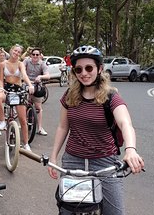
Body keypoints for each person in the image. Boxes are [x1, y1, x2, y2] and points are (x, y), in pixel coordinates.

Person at [48, 45, 145, 215]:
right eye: (78, 69)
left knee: (115, 212)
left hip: (105, 163)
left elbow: (125, 124)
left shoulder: (111, 96)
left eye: (89, 68)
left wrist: (131, 150)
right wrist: (53, 157)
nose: (84, 73)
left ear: (99, 69)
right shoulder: (70, 95)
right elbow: (63, 126)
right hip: (73, 161)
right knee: (67, 211)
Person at [0, 44, 35, 151]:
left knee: (22, 119)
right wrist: (1, 88)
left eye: (19, 52)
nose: (16, 53)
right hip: (7, 89)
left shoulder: (20, 64)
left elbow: (24, 75)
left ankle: (26, 143)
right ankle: (2, 120)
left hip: (18, 89)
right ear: (11, 50)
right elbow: (1, 79)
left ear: (20, 54)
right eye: (15, 50)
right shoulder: (3, 64)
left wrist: (30, 85)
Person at [23, 48, 50, 136]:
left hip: (37, 86)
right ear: (31, 55)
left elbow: (48, 76)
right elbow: (22, 71)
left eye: (37, 54)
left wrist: (40, 77)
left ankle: (40, 128)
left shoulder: (42, 64)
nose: (35, 56)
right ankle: (23, 123)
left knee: (38, 107)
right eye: (33, 54)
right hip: (26, 84)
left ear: (40, 55)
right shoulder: (26, 61)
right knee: (22, 105)